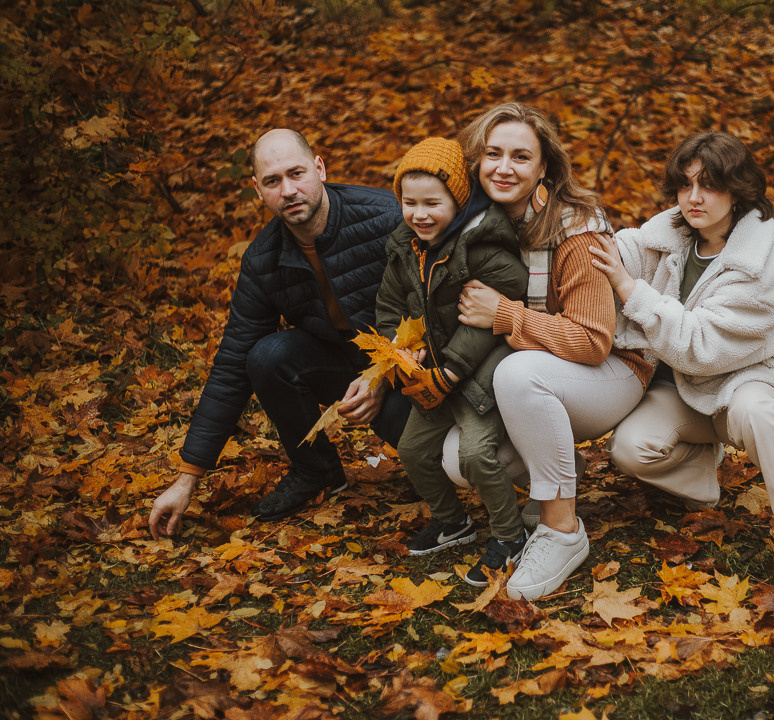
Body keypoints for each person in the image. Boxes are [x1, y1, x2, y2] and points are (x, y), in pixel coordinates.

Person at [588, 131, 774, 608]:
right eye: (686, 184)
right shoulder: (671, 236)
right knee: (631, 450)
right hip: (685, 389)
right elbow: (620, 249)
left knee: (758, 414)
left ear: (737, 190)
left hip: (746, 382)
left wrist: (629, 289)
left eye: (710, 185)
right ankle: (703, 474)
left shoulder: (760, 263)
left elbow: (698, 346)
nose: (694, 197)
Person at [148, 129, 411, 539]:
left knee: (438, 463)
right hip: (340, 362)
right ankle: (316, 470)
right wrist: (187, 479)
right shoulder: (264, 260)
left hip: (409, 366)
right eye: (273, 181)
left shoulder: (387, 218)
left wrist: (384, 375)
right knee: (266, 356)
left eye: (296, 173)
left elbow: (435, 310)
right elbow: (232, 364)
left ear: (320, 168)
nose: (288, 190)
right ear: (258, 190)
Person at [453, 103, 652, 601]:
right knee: (458, 459)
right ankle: (564, 469)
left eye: (521, 157)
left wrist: (504, 314)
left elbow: (592, 340)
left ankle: (562, 530)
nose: (504, 167)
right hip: (547, 370)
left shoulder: (575, 229)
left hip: (615, 369)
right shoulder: (477, 220)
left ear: (544, 167)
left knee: (518, 374)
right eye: (493, 154)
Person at [377, 137, 529, 586]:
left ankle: (510, 534)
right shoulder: (405, 248)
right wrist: (401, 343)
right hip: (433, 373)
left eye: (433, 203)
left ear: (458, 202)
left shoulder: (480, 247)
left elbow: (495, 311)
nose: (420, 214)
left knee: (476, 454)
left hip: (480, 374)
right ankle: (452, 521)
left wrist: (453, 369)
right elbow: (389, 305)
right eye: (409, 203)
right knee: (412, 449)